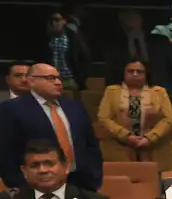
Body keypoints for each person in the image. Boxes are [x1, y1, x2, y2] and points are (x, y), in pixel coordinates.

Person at [0, 62, 103, 191]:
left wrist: (94, 176)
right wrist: (20, 184)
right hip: (36, 184)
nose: (58, 82)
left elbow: (91, 144)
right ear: (31, 81)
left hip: (80, 181)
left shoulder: (75, 107)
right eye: (50, 78)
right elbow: (6, 151)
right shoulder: (12, 109)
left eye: (59, 78)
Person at [96, 57, 172, 173]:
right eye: (130, 71)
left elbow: (168, 119)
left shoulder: (159, 92)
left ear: (146, 74)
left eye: (139, 71)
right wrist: (127, 136)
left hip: (154, 148)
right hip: (119, 147)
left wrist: (150, 138)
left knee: (152, 180)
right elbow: (104, 118)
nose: (135, 74)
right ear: (123, 73)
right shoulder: (111, 92)